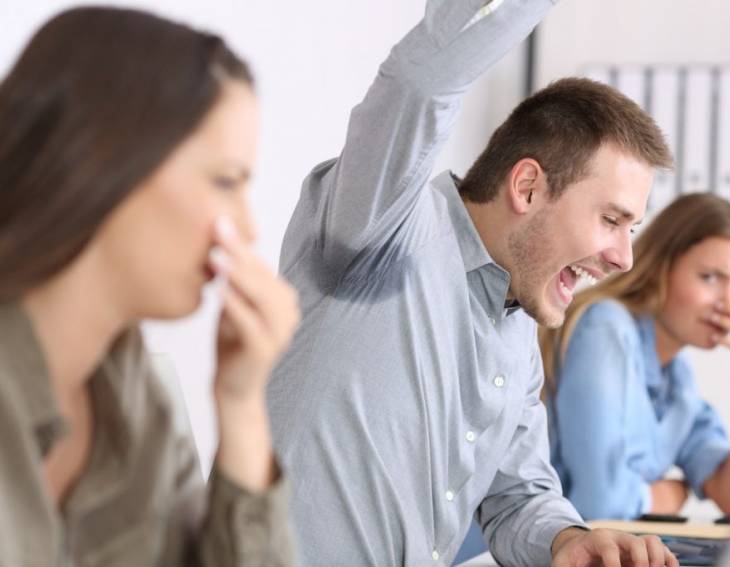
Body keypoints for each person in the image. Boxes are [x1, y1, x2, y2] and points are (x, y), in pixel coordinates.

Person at [268, 1, 677, 565]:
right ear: (528, 187)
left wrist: (569, 539)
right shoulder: (384, 226)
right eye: (611, 220)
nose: (625, 258)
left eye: (631, 228)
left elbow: (517, 498)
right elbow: (419, 83)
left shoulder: (515, 329)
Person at [0, 7, 299, 565]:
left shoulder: (140, 399)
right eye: (226, 181)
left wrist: (241, 408)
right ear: (104, 164)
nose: (249, 228)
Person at [540, 193, 730, 521]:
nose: (729, 304)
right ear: (662, 268)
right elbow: (601, 505)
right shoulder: (606, 327)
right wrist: (668, 495)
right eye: (710, 278)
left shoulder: (678, 379)